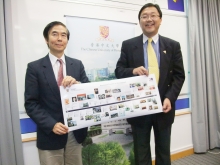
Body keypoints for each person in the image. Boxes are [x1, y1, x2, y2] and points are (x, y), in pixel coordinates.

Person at [115, 3, 185, 165]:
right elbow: (119, 71)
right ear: (139, 21)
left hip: (164, 107)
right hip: (139, 108)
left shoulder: (173, 46)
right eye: (144, 16)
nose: (149, 19)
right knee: (141, 153)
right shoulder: (128, 45)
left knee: (163, 151)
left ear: (160, 19)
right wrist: (132, 71)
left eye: (153, 15)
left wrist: (170, 98)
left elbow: (179, 76)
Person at [24, 21, 89, 165]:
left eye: (63, 35)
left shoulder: (77, 65)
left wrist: (78, 85)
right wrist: (51, 124)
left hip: (75, 133)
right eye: (55, 34)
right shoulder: (35, 68)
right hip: (50, 134)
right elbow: (31, 104)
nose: (59, 38)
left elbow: (89, 92)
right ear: (46, 39)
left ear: (67, 40)